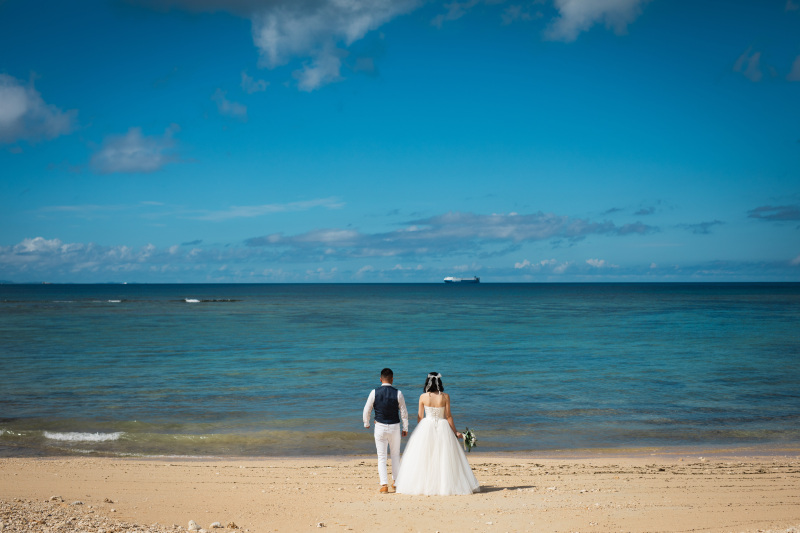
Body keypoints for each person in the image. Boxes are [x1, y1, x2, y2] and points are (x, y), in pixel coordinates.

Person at [394, 372, 480, 495]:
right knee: (444, 456)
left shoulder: (423, 396)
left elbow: (419, 416)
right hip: (443, 425)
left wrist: (421, 429)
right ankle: (444, 486)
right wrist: (455, 432)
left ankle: (424, 485)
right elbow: (449, 416)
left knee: (425, 457)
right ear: (439, 382)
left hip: (426, 425)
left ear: (427, 382)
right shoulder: (445, 396)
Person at [363, 368, 409, 493]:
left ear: (380, 379)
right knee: (395, 455)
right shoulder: (398, 393)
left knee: (381, 457)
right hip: (394, 426)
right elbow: (404, 412)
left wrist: (366, 422)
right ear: (392, 379)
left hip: (380, 426)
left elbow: (367, 409)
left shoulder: (374, 392)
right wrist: (405, 427)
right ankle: (396, 482)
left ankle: (384, 484)